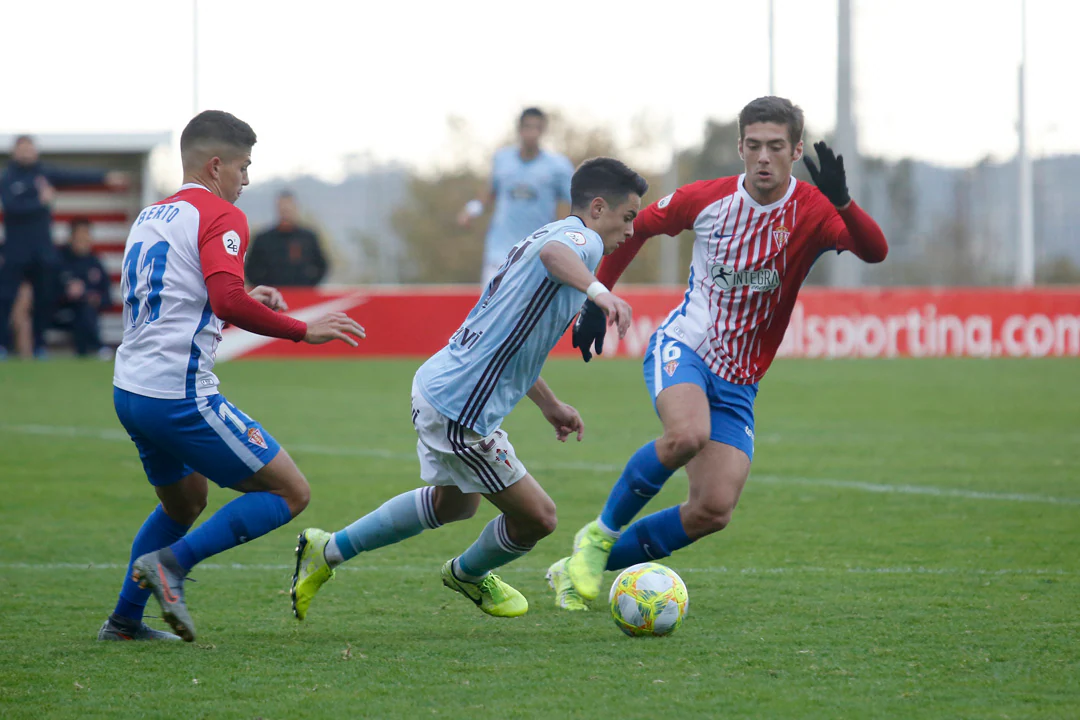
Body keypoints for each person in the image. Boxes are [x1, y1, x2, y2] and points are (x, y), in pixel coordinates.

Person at [549, 96, 889, 610]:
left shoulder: (813, 212)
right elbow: (636, 226)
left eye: (776, 146)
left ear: (796, 150)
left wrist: (843, 203)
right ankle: (597, 536)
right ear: (740, 147)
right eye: (754, 146)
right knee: (687, 434)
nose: (764, 158)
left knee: (713, 509)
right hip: (684, 346)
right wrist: (597, 296)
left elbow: (874, 250)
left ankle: (574, 570)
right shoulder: (705, 199)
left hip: (740, 380)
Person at [290, 158, 645, 621]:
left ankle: (326, 550)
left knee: (454, 502)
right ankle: (467, 575)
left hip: (444, 386)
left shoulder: (544, 233)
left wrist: (550, 404)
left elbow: (509, 338)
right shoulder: (580, 240)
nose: (631, 231)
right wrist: (601, 294)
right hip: (461, 410)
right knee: (538, 518)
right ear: (598, 208)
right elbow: (557, 256)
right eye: (628, 217)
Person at [97, 110, 366, 643]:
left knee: (184, 502)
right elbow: (224, 297)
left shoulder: (151, 215)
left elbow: (179, 302)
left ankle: (125, 621)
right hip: (178, 394)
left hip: (131, 390)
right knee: (290, 492)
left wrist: (243, 298)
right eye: (243, 168)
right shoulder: (220, 214)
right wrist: (299, 329)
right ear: (216, 166)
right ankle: (170, 566)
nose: (246, 180)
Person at [0, 135, 125, 358]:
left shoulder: (43, 174)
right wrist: (40, 201)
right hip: (15, 252)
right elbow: (12, 206)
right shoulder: (7, 178)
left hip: (42, 253)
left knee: (44, 299)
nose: (27, 153)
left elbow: (74, 175)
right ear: (15, 152)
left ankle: (39, 346)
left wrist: (104, 177)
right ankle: (3, 346)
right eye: (23, 149)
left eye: (30, 148)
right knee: (5, 298)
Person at [458, 108, 574, 285]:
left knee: (527, 309)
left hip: (537, 251)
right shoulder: (502, 159)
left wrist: (564, 239)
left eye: (537, 128)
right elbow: (490, 192)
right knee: (490, 306)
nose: (532, 133)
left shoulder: (558, 167)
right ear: (519, 129)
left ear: (543, 131)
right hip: (499, 250)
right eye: (528, 127)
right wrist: (472, 209)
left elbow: (568, 203)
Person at [245, 190, 328, 287]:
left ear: (295, 208)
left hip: (302, 295)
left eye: (289, 207)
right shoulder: (263, 239)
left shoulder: (308, 238)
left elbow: (322, 266)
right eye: (282, 207)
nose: (286, 210)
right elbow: (251, 268)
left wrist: (308, 284)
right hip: (271, 296)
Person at [56, 217, 111, 357]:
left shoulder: (95, 262)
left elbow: (107, 297)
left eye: (86, 234)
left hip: (87, 313)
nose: (83, 238)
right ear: (71, 237)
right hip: (61, 312)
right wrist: (66, 293)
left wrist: (95, 298)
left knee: (85, 309)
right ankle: (97, 347)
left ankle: (89, 351)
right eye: (79, 234)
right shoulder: (58, 260)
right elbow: (46, 292)